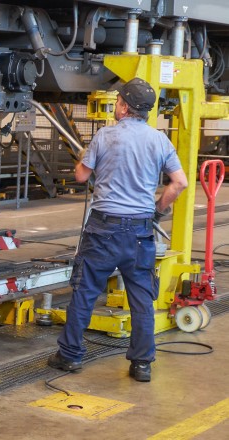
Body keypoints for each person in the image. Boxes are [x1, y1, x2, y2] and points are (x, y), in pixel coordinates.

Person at [47, 78, 188, 382]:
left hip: (103, 229)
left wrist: (89, 154)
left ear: (124, 106)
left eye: (118, 101)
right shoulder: (160, 140)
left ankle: (69, 356)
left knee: (85, 292)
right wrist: (158, 210)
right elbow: (179, 182)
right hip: (139, 232)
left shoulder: (104, 136)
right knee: (140, 299)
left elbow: (82, 176)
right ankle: (141, 364)